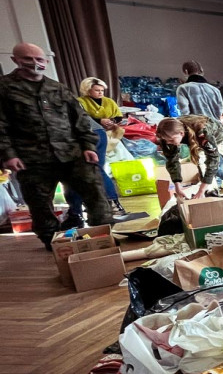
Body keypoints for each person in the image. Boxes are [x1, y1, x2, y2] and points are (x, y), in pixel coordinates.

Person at [0, 42, 111, 249]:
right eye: (28, 59)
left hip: (71, 153)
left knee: (95, 192)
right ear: (15, 60)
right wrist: (8, 154)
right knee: (40, 204)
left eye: (39, 59)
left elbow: (79, 119)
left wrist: (88, 145)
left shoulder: (57, 88)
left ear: (46, 61)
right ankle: (53, 243)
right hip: (31, 159)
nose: (35, 63)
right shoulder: (4, 88)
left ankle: (103, 235)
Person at [62, 77, 128, 225]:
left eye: (102, 90)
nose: (100, 93)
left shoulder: (70, 104)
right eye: (97, 90)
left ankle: (79, 211)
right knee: (92, 171)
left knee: (90, 171)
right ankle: (80, 211)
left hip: (92, 135)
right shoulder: (80, 101)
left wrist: (111, 122)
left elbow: (84, 121)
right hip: (94, 133)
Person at [156, 116, 223, 200]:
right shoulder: (166, 137)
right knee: (202, 169)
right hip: (196, 141)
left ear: (181, 134)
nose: (168, 143)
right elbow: (172, 161)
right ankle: (211, 197)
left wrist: (200, 190)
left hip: (221, 137)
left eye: (171, 140)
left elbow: (213, 160)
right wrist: (178, 186)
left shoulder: (202, 132)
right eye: (166, 141)